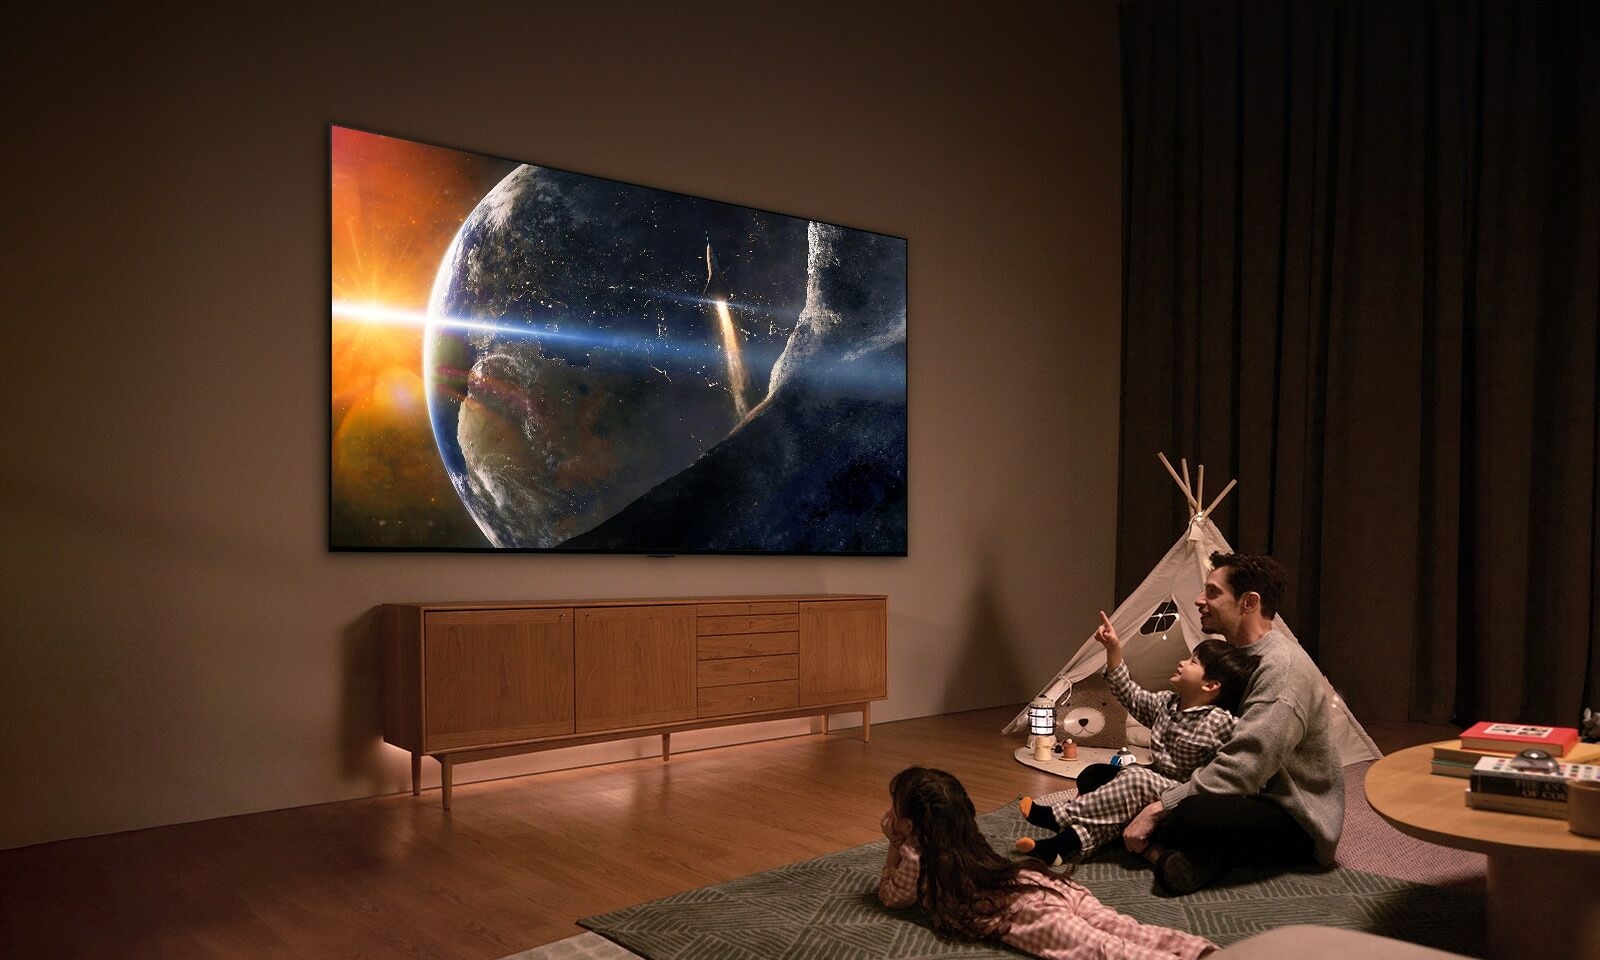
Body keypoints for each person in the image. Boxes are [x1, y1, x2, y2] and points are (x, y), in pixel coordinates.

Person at [1121, 552, 1344, 895]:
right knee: (1103, 778)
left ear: (1248, 603)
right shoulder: (1231, 657)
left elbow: (1244, 768)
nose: (1199, 600)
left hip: (1289, 812)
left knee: (1190, 813)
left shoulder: (1282, 670)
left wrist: (1158, 806)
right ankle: (1181, 857)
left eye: (1212, 592)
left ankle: (1172, 851)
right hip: (1243, 791)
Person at [878, 766, 1217, 960]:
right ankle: (1200, 951)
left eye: (894, 807)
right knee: (1121, 927)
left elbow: (892, 897)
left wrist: (895, 845)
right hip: (1043, 883)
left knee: (1098, 950)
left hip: (1025, 912)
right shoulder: (968, 840)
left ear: (907, 825)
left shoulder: (914, 856)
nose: (889, 812)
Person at [1014, 617, 1258, 867]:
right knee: (1103, 779)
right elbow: (1128, 693)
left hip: (1184, 794)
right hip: (1155, 783)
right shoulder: (1166, 703)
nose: (1183, 662)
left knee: (1135, 778)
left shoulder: (1220, 722)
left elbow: (1238, 763)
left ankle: (1059, 815)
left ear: (1211, 685)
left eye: (1193, 662)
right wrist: (1113, 649)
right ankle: (1060, 848)